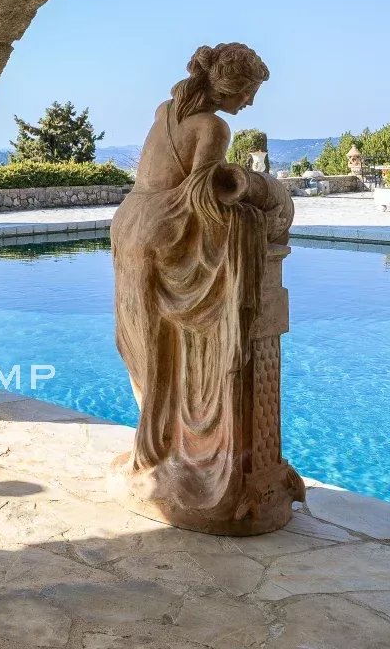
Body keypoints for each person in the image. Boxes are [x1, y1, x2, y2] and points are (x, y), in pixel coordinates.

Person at [110, 43, 302, 535]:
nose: (250, 103)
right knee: (170, 342)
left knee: (148, 343)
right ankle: (185, 458)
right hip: (163, 229)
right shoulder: (214, 128)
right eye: (250, 92)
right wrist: (253, 198)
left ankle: (156, 447)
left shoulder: (166, 110)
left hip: (129, 223)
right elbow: (199, 196)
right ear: (231, 87)